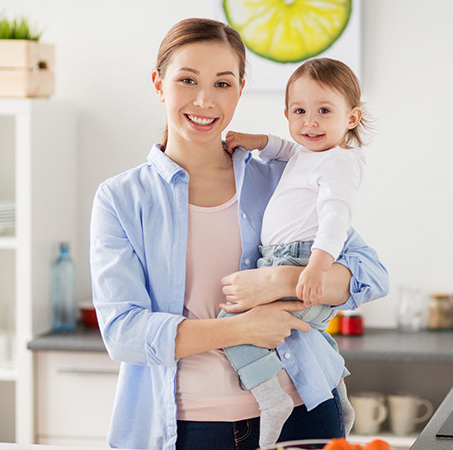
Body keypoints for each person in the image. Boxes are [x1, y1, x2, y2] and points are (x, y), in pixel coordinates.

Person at [89, 18, 389, 450]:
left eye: (223, 84)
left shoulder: (278, 176)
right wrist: (243, 328)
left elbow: (371, 273)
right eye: (187, 80)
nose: (205, 100)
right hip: (191, 427)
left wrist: (281, 281)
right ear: (159, 84)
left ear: (241, 89)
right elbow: (123, 332)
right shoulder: (122, 199)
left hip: (304, 409)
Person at [219, 57, 370, 447]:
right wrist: (258, 141)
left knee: (230, 323)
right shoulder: (307, 153)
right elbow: (286, 149)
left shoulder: (339, 161)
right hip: (286, 259)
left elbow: (336, 216)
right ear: (286, 114)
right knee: (311, 332)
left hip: (302, 260)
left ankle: (271, 400)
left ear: (351, 117)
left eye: (324, 111)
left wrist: (318, 268)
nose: (311, 122)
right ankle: (339, 395)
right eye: (300, 111)